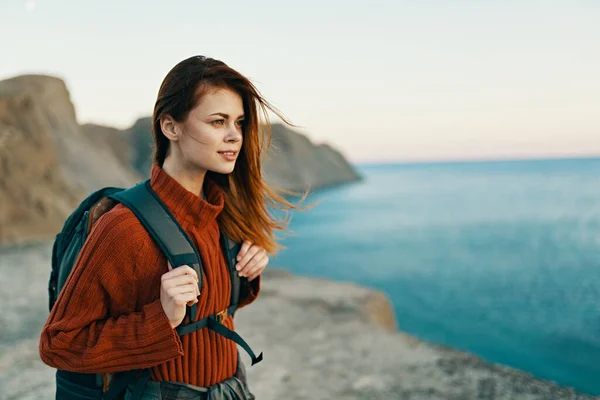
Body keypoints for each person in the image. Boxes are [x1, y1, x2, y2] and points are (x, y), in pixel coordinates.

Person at [39, 55, 301, 399]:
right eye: (218, 121)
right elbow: (59, 344)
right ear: (170, 127)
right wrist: (161, 317)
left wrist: (245, 272)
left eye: (239, 122)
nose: (234, 136)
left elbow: (208, 315)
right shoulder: (124, 229)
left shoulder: (221, 214)